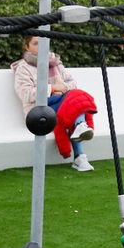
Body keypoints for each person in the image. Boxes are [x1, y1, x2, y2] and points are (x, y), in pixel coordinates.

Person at [14, 34, 97, 171]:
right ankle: (79, 153)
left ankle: (79, 130)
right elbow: (26, 93)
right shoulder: (23, 68)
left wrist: (62, 88)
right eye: (36, 43)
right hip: (38, 111)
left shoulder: (55, 63)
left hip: (60, 103)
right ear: (27, 47)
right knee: (75, 102)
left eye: (43, 43)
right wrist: (52, 88)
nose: (41, 47)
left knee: (73, 103)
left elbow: (72, 83)